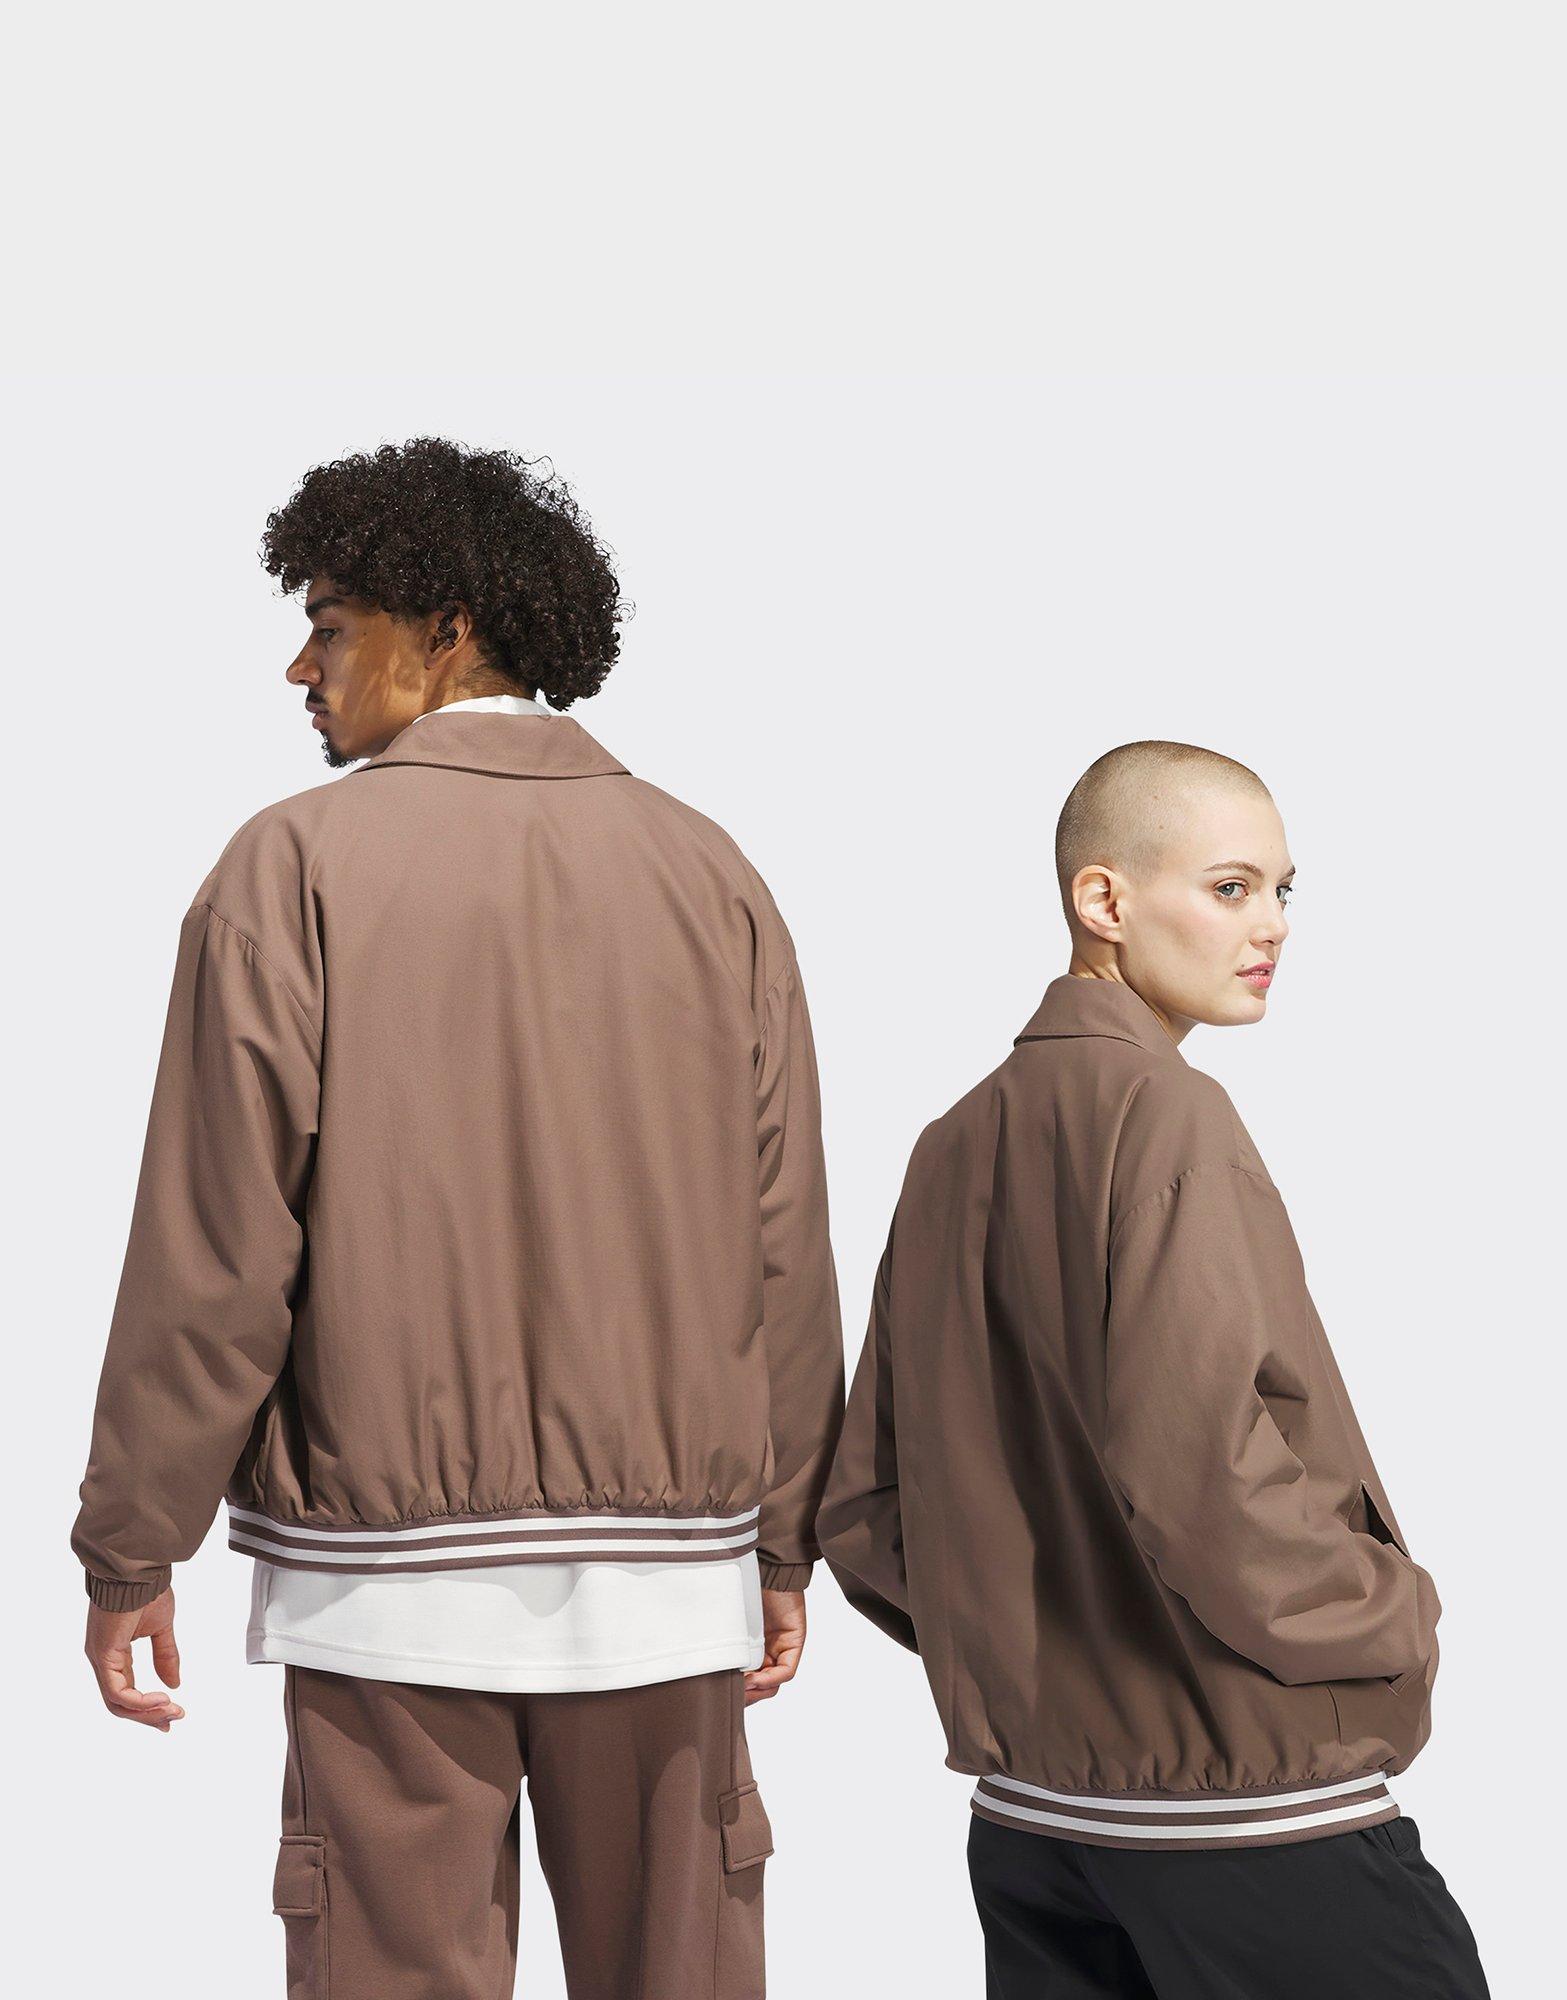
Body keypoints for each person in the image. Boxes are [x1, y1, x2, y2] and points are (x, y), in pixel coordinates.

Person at [71, 438, 843, 2000]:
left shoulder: (291, 868)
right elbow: (783, 1240)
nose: (299, 667)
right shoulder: (709, 872)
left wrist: (130, 1547)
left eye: (329, 624)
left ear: (445, 629)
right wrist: (784, 1535)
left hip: (383, 1599)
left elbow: (217, 1254)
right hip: (665, 1585)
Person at [817, 740, 1488, 1998]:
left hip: (1035, 1827)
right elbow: (1202, 1475)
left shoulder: (952, 1139)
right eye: (1230, 888)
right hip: (1244, 1817)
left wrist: (1021, 1655)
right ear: (1103, 900)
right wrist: (1392, 1612)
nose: (1271, 925)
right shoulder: (1170, 1116)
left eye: (1284, 889)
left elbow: (868, 1505)